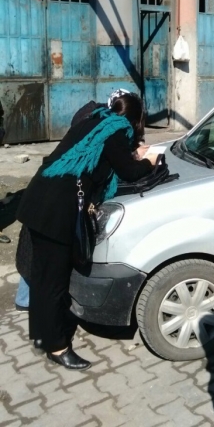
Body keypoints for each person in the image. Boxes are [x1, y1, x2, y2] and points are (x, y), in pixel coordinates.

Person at [16, 91, 158, 371]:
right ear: (136, 119)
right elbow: (129, 171)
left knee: (45, 277)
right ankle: (56, 346)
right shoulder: (117, 131)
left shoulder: (94, 120)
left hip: (40, 198)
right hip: (55, 211)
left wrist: (130, 153)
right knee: (52, 282)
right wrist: (148, 161)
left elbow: (104, 155)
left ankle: (44, 333)